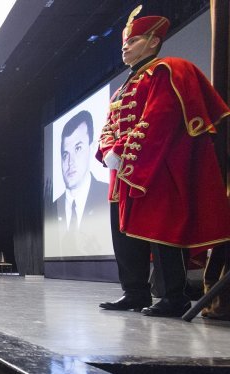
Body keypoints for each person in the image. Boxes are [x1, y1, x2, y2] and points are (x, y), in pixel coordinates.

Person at [96, 8, 230, 317]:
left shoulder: (166, 71)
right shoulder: (121, 89)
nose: (125, 47)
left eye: (132, 41)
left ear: (153, 41)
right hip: (122, 173)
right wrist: (107, 152)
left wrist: (123, 152)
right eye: (124, 43)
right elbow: (108, 126)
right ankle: (134, 292)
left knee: (164, 233)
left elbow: (159, 119)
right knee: (124, 237)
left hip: (156, 168)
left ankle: (174, 296)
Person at [48, 110, 111, 256]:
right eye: (65, 155)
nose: (70, 162)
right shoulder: (52, 208)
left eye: (78, 148)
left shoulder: (107, 196)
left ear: (92, 147)